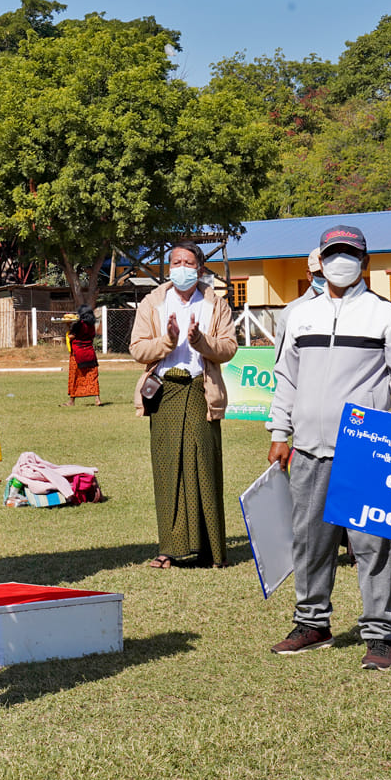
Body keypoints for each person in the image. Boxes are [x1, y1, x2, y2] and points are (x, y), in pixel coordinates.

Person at [269, 224, 391, 671]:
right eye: (333, 253)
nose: (341, 261)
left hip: (366, 451)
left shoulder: (386, 316)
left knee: (372, 545)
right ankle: (312, 623)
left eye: (349, 253)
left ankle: (380, 635)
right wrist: (280, 432)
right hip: (309, 448)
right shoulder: (299, 315)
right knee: (309, 541)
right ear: (320, 259)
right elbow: (286, 379)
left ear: (365, 262)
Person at [130, 241, 237, 569]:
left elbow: (229, 347)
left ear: (201, 269)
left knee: (204, 467)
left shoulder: (215, 304)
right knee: (167, 471)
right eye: (176, 261)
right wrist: (168, 341)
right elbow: (137, 349)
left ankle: (211, 552)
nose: (181, 267)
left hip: (201, 393)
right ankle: (170, 549)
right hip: (164, 395)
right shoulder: (153, 303)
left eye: (188, 262)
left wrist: (199, 342)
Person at [273, 248, 324, 352]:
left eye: (331, 273)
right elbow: (283, 359)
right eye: (320, 274)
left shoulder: (350, 308)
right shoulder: (291, 312)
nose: (326, 278)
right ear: (309, 275)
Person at [63, 305, 105, 406]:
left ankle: (71, 401)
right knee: (93, 377)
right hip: (90, 353)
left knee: (75, 376)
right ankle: (97, 400)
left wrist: (68, 327)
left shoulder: (79, 325)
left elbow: (72, 336)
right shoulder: (91, 325)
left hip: (78, 354)